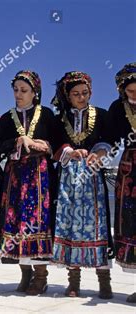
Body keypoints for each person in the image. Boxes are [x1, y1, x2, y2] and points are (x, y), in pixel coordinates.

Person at [51, 71, 114, 299]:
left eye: (85, 93)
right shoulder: (60, 119)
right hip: (68, 178)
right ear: (68, 96)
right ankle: (73, 281)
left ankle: (104, 281)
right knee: (68, 224)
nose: (81, 97)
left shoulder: (103, 115)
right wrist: (69, 150)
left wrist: (99, 152)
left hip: (93, 177)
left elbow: (110, 140)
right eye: (76, 94)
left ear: (91, 92)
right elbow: (53, 145)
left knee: (98, 225)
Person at [0, 70, 56, 295]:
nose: (18, 95)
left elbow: (58, 143)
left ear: (35, 93)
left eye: (24, 91)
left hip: (39, 177)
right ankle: (25, 273)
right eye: (15, 90)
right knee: (17, 221)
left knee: (38, 221)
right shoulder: (6, 118)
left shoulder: (47, 115)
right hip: (15, 177)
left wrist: (45, 146)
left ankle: (40, 276)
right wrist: (17, 140)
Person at [107, 62, 136, 303]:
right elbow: (113, 141)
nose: (135, 94)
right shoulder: (117, 109)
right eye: (131, 91)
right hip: (130, 169)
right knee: (131, 222)